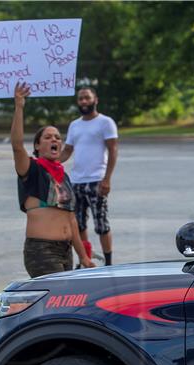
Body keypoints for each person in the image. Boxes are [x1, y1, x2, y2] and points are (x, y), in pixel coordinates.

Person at [11, 82, 95, 277]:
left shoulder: (63, 176)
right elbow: (16, 146)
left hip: (65, 252)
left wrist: (83, 256)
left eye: (57, 137)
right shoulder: (32, 169)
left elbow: (71, 220)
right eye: (48, 137)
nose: (55, 140)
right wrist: (19, 106)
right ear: (37, 146)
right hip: (42, 251)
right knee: (55, 299)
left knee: (63, 302)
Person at [60, 87, 119, 266]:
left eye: (87, 98)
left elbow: (113, 149)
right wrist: (48, 162)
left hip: (97, 180)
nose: (84, 101)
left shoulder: (105, 122)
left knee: (101, 224)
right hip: (76, 181)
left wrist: (107, 178)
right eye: (80, 99)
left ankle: (108, 263)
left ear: (95, 100)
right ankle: (85, 259)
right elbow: (67, 150)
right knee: (79, 225)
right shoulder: (74, 125)